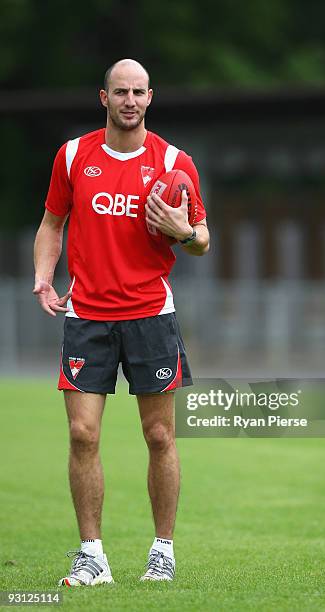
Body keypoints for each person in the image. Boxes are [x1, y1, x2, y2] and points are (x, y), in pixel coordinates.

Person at [33, 58, 209, 586]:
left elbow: (203, 241)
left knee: (159, 435)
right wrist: (44, 275)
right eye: (120, 92)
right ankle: (92, 556)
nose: (129, 100)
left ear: (150, 97)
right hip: (86, 314)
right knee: (82, 435)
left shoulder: (176, 163)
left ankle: (163, 551)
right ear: (103, 98)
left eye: (138, 92)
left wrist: (182, 230)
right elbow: (51, 223)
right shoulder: (72, 156)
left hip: (151, 315)